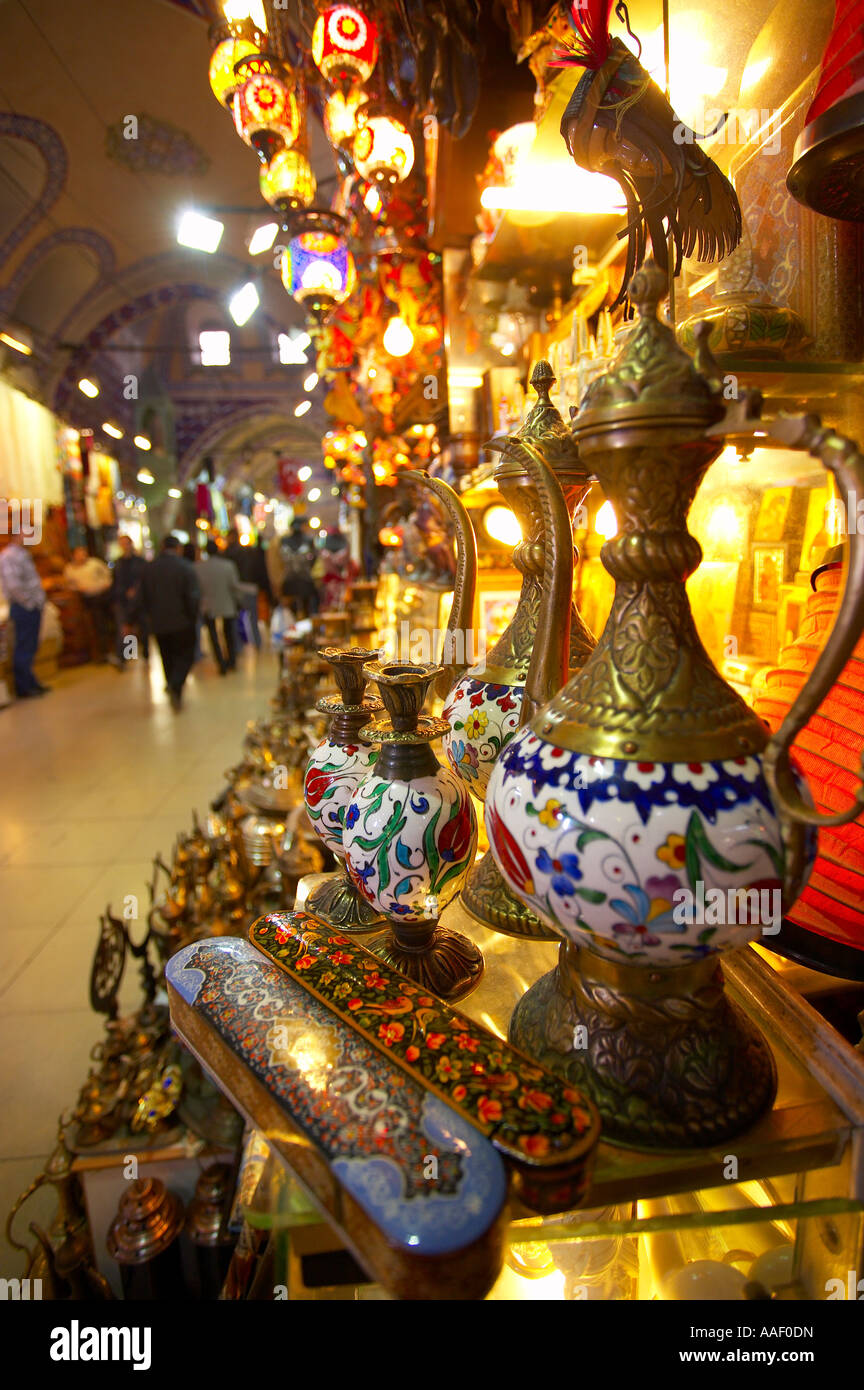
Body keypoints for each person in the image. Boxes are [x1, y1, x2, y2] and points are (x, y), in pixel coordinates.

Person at [140, 535, 199, 711]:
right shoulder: (185, 567)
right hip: (181, 621)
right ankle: (175, 684)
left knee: (167, 656)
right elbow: (192, 597)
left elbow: (143, 597)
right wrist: (193, 618)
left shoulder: (149, 569)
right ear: (178, 548)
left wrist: (144, 619)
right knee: (185, 655)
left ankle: (173, 686)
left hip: (158, 622)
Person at [0, 534, 49, 699]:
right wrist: (29, 603)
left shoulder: (23, 554)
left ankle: (30, 682)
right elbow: (14, 585)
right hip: (23, 607)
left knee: (31, 645)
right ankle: (24, 687)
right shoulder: (9, 556)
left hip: (31, 606)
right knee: (24, 646)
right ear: (17, 537)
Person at [64, 545, 117, 663]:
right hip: (89, 599)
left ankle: (118, 650)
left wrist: (107, 583)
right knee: (98, 625)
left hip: (104, 595)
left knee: (113, 622)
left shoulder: (94, 563)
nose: (82, 556)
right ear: (74, 556)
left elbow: (107, 574)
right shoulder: (70, 569)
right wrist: (78, 588)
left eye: (83, 553)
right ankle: (103, 653)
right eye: (79, 554)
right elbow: (69, 584)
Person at [196, 539, 241, 675]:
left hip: (208, 606)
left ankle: (220, 662)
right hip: (227, 604)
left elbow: (197, 589)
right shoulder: (228, 565)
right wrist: (238, 600)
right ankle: (231, 660)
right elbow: (234, 586)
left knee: (213, 636)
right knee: (229, 633)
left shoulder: (198, 568)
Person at [112, 534, 149, 667]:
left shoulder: (139, 562)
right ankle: (125, 657)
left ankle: (145, 653)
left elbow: (144, 579)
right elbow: (116, 582)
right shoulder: (118, 563)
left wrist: (136, 591)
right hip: (123, 600)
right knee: (125, 628)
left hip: (139, 600)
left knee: (143, 628)